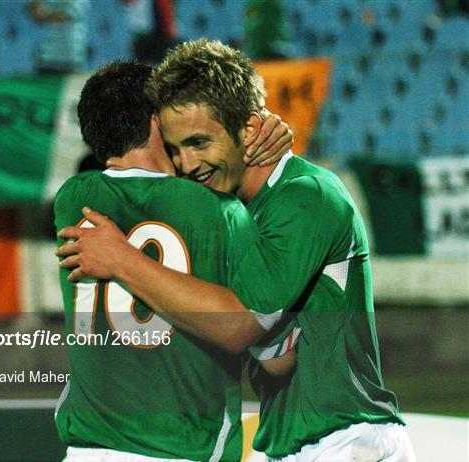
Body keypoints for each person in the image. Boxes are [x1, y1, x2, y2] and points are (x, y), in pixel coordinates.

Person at [57, 40, 415, 461]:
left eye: (199, 143)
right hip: (293, 443)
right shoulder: (226, 208)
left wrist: (121, 259)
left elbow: (238, 325)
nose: (187, 164)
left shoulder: (306, 197)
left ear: (248, 129)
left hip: (347, 439)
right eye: (174, 149)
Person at [54, 59, 292, 461]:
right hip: (183, 447)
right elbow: (277, 361)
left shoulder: (73, 200)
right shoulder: (221, 213)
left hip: (87, 450)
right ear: (155, 121)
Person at [28, 0, 89, 73]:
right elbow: (36, 15)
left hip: (71, 60)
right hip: (47, 59)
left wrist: (43, 14)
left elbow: (62, 16)